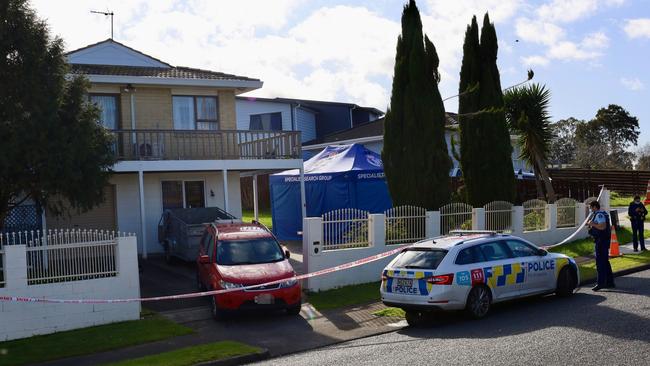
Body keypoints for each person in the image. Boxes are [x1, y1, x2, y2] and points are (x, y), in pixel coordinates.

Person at [586, 200, 615, 291]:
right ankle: (610, 282)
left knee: (600, 262)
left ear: (594, 207)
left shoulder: (599, 215)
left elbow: (603, 226)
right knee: (605, 262)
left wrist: (592, 224)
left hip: (601, 241)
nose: (590, 209)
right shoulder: (601, 213)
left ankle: (600, 283)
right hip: (602, 240)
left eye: (591, 207)